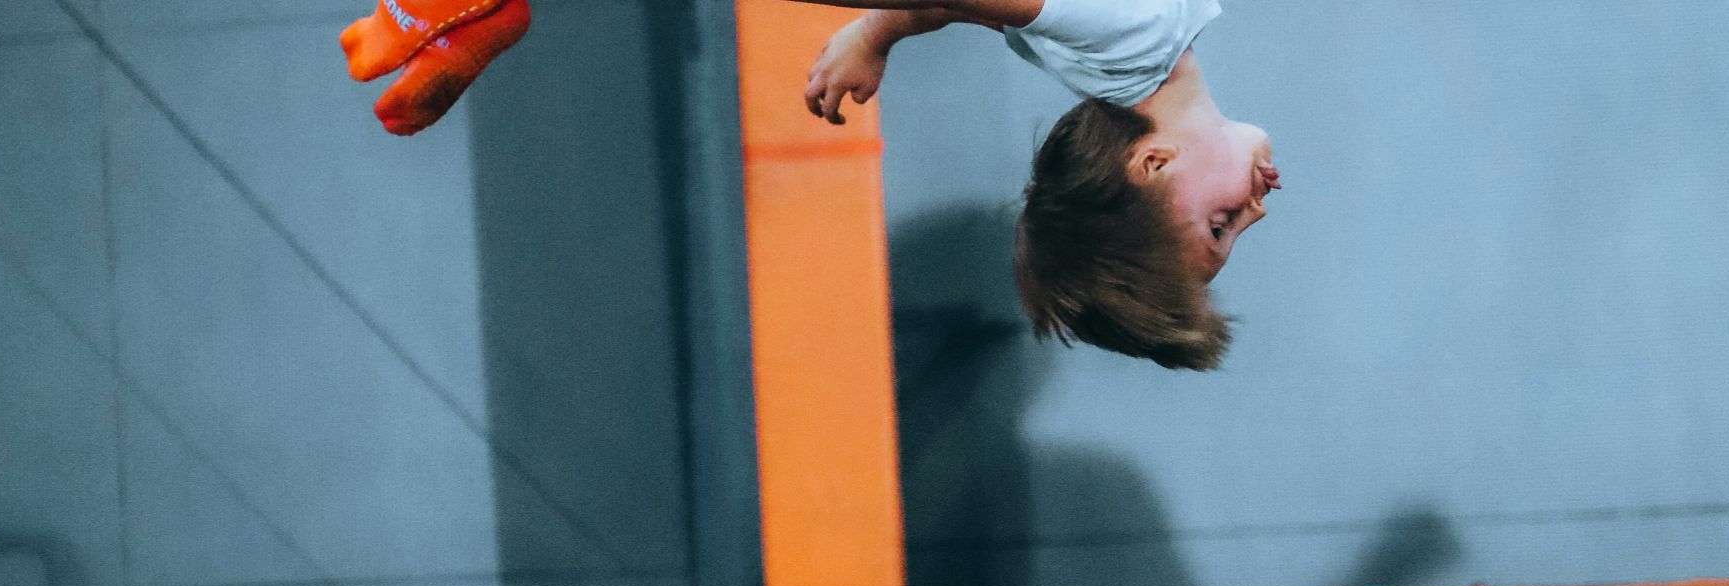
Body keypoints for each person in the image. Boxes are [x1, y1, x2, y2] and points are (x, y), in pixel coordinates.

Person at [340, 0, 1276, 369]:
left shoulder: (1136, 39)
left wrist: (879, 32)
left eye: (1225, 221)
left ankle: (456, 9)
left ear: (1151, 165)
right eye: (1236, 227)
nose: (1259, 204)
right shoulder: (1129, 66)